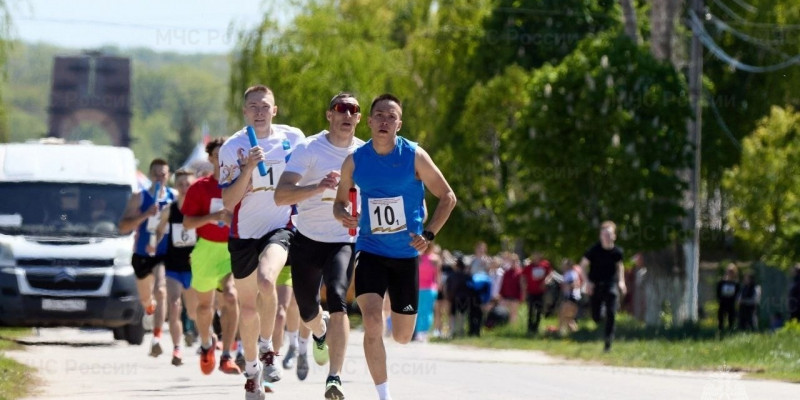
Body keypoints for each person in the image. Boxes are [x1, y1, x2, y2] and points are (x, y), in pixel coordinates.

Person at [333, 94, 457, 400]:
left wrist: (429, 234)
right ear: (369, 121)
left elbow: (448, 197)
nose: (384, 121)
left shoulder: (414, 156)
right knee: (372, 320)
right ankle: (384, 394)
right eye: (379, 115)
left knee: (402, 336)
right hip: (370, 249)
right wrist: (344, 215)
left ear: (399, 125)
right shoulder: (355, 160)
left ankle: (417, 210)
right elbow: (339, 203)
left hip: (405, 254)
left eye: (391, 117)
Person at [274, 92, 365, 399]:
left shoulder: (364, 153)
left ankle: (334, 378)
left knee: (339, 298)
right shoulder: (309, 148)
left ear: (359, 118)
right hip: (308, 239)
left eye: (353, 110)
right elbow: (281, 195)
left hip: (343, 240)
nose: (347, 114)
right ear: (330, 115)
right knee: (307, 309)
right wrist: (318, 186)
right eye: (341, 108)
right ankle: (320, 331)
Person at [219, 85, 305, 399]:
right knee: (247, 309)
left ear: (274, 110)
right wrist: (247, 170)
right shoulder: (233, 147)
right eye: (253, 106)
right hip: (243, 233)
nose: (259, 111)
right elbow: (228, 202)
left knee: (267, 281)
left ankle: (268, 349)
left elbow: (316, 161)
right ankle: (252, 372)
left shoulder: (293, 138)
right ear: (245, 112)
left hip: (279, 227)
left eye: (264, 106)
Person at [181, 137, 242, 376]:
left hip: (231, 248)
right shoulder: (200, 187)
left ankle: (226, 355)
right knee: (204, 307)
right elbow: (187, 223)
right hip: (206, 249)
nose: (223, 159)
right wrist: (213, 217)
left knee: (231, 295)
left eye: (227, 154)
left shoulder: (240, 185)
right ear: (210, 158)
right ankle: (207, 343)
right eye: (218, 155)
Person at [118, 158, 175, 357]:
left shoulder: (174, 198)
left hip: (164, 253)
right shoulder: (139, 197)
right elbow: (123, 226)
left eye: (163, 174)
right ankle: (149, 309)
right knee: (145, 298)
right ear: (151, 175)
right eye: (156, 174)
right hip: (143, 253)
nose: (160, 177)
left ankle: (157, 338)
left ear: (168, 176)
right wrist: (145, 215)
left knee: (161, 290)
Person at [154, 168, 199, 366]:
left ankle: (205, 336)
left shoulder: (199, 210)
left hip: (194, 267)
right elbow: (158, 230)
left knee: (194, 311)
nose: (184, 188)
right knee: (173, 305)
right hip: (173, 266)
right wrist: (155, 245)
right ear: (176, 186)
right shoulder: (170, 210)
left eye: (188, 184)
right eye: (180, 184)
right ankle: (177, 348)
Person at [580, 220, 626, 352]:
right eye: (604, 234)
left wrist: (621, 281)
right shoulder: (593, 250)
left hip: (610, 284)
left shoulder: (617, 252)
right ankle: (601, 314)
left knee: (611, 313)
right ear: (600, 236)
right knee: (596, 317)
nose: (606, 237)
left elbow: (620, 266)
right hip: (595, 285)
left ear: (614, 236)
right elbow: (582, 266)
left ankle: (608, 343)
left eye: (609, 234)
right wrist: (587, 282)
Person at [414, 241, 441, 341]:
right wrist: (439, 287)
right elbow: (438, 276)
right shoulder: (435, 259)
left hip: (418, 288)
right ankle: (424, 332)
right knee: (428, 311)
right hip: (430, 289)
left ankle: (418, 333)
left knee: (418, 311)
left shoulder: (418, 258)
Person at [521, 253, 552, 335]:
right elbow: (523, 277)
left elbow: (550, 274)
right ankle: (529, 328)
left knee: (539, 310)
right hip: (531, 291)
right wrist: (524, 290)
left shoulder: (545, 265)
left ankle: (536, 327)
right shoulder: (529, 267)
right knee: (531, 310)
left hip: (541, 292)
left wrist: (546, 281)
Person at [558, 260, 582, 336]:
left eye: (564, 265)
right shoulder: (569, 273)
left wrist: (566, 287)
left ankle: (560, 332)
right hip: (571, 297)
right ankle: (575, 334)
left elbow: (574, 284)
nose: (562, 266)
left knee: (563, 315)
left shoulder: (571, 274)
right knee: (568, 318)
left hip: (571, 298)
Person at [498, 253, 524, 324]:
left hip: (515, 297)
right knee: (503, 312)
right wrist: (501, 294)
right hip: (505, 296)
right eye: (512, 261)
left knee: (513, 313)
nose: (513, 263)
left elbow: (522, 286)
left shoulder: (520, 272)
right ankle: (503, 325)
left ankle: (513, 327)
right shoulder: (506, 272)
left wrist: (521, 297)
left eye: (515, 261)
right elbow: (503, 284)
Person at [716, 263, 740, 334]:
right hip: (723, 302)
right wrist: (720, 299)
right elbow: (718, 292)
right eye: (729, 271)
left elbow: (737, 293)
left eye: (732, 272)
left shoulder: (736, 283)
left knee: (731, 318)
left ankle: (730, 331)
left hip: (731, 303)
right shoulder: (722, 282)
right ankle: (720, 331)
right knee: (721, 317)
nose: (730, 273)